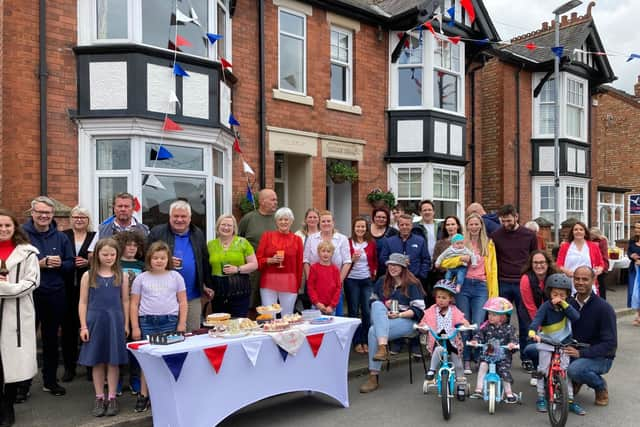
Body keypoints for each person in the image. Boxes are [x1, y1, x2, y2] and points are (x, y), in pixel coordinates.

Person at [22, 196, 74, 397]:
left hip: (55, 295)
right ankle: (22, 387)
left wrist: (61, 263)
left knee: (51, 340)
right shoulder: (21, 235)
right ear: (32, 213)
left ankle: (50, 381)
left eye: (48, 213)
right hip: (29, 294)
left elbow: (71, 264)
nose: (44, 216)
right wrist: (38, 264)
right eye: (40, 212)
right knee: (26, 341)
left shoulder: (61, 237)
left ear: (53, 215)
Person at [130, 241, 187, 412]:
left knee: (169, 359)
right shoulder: (141, 278)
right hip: (147, 322)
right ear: (149, 259)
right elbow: (134, 304)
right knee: (148, 360)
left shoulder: (175, 277)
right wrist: (135, 327)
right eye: (155, 258)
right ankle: (143, 394)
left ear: (168, 259)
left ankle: (167, 394)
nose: (159, 261)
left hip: (169, 321)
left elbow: (183, 301)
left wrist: (181, 323)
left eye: (162, 258)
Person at [77, 238, 129, 417]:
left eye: (112, 254)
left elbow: (125, 301)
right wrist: (83, 326)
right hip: (95, 322)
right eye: (105, 254)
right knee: (97, 361)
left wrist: (126, 323)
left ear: (117, 255)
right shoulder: (88, 275)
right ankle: (99, 396)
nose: (109, 257)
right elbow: (83, 302)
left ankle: (112, 397)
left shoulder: (122, 275)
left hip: (115, 321)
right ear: (97, 254)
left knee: (113, 361)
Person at [359, 253, 425, 393]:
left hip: (407, 320)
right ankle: (383, 347)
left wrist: (399, 314)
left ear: (402, 267)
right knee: (377, 305)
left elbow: (419, 310)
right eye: (390, 265)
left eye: (396, 265)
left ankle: (373, 376)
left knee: (372, 332)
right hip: (384, 318)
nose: (393, 268)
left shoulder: (413, 283)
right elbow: (372, 301)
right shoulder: (382, 281)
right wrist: (385, 306)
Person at [0, 209, 40, 427]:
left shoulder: (27, 253)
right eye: (0, 226)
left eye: (8, 225)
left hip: (15, 313)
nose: (4, 229)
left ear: (15, 228)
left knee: (13, 363)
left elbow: (32, 283)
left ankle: (8, 406)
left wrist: (4, 289)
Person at [147, 200, 212, 331]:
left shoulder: (197, 233)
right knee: (168, 333)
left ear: (190, 218)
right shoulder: (157, 232)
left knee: (192, 333)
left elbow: (204, 260)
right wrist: (166, 261)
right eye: (176, 216)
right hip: (165, 296)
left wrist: (206, 284)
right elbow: (146, 260)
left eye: (183, 216)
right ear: (169, 217)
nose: (179, 219)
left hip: (192, 296)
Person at [528, 273, 584, 415]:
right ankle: (541, 397)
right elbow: (537, 320)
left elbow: (576, 317)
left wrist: (565, 304)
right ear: (549, 293)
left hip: (564, 343)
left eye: (562, 295)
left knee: (564, 371)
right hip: (547, 341)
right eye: (555, 294)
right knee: (543, 370)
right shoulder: (546, 306)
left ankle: (569, 400)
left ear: (567, 295)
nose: (558, 297)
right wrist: (532, 331)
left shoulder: (567, 306)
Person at [566, 266, 616, 407]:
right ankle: (576, 380)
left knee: (574, 370)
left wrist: (581, 353)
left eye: (585, 279)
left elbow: (610, 343)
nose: (580, 282)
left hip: (601, 356)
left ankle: (600, 386)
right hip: (575, 352)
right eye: (577, 279)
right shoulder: (569, 303)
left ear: (593, 280)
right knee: (539, 353)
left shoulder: (604, 308)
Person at [491, 204, 537, 354]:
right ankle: (502, 353)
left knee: (525, 320)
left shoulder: (529, 235)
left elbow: (534, 257)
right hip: (503, 282)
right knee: (502, 320)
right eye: (503, 221)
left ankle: (526, 356)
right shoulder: (496, 235)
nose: (506, 224)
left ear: (516, 217)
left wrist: (532, 279)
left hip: (523, 282)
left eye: (509, 220)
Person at [456, 213, 498, 374]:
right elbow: (451, 262)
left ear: (481, 225)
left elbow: (493, 269)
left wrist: (493, 292)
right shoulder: (461, 243)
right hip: (464, 285)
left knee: (479, 323)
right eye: (470, 224)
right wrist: (461, 259)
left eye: (476, 224)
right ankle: (466, 359)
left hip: (481, 286)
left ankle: (480, 358)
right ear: (467, 227)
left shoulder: (489, 244)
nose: (473, 227)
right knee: (464, 323)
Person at [61, 207, 96, 383]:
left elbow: (102, 259)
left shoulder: (94, 236)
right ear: (70, 218)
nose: (79, 220)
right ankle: (69, 368)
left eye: (83, 217)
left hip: (89, 289)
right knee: (68, 330)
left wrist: (89, 262)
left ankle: (91, 367)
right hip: (66, 288)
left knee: (88, 328)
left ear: (88, 220)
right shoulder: (63, 235)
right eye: (75, 216)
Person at [468, 297, 519, 403]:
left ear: (503, 316)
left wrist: (512, 344)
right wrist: (475, 341)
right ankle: (479, 388)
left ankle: (508, 393)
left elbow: (514, 339)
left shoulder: (509, 328)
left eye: (494, 314)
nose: (490, 317)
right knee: (483, 365)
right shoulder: (486, 327)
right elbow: (479, 335)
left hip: (503, 356)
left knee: (503, 370)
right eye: (489, 314)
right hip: (489, 354)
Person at [114, 230, 145, 395]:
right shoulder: (116, 264)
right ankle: (117, 380)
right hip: (118, 310)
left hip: (138, 310)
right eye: (128, 245)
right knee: (119, 347)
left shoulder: (142, 265)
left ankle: (135, 379)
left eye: (135, 245)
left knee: (136, 345)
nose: (132, 248)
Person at [519, 250, 558, 381]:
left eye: (542, 262)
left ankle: (553, 369)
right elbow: (529, 305)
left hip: (551, 312)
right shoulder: (526, 279)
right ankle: (537, 370)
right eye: (535, 262)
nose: (539, 266)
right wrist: (539, 325)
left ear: (548, 263)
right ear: (531, 264)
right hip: (530, 312)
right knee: (533, 340)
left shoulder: (554, 276)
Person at [207, 214, 258, 317]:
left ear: (234, 228)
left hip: (239, 290)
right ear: (218, 227)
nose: (226, 227)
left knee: (238, 324)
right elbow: (206, 268)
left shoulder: (243, 242)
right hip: (218, 293)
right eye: (223, 224)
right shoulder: (210, 245)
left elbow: (254, 264)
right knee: (220, 324)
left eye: (230, 225)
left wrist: (237, 269)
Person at [420, 280, 470, 384]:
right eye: (438, 297)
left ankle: (460, 381)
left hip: (452, 341)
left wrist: (465, 323)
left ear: (450, 299)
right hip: (438, 341)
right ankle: (432, 370)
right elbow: (425, 320)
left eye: (444, 298)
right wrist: (422, 326)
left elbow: (460, 318)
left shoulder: (453, 310)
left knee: (458, 363)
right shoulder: (432, 310)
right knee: (438, 350)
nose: (441, 300)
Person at [257, 208, 303, 316]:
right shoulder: (267, 236)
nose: (283, 222)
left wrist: (297, 285)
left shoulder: (297, 240)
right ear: (276, 221)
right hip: (269, 281)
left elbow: (299, 265)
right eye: (280, 219)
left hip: (289, 281)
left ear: (292, 221)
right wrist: (269, 260)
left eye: (286, 219)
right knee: (268, 315)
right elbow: (257, 260)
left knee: (287, 316)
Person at [303, 210, 351, 315]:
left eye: (328, 221)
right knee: (316, 315)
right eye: (323, 221)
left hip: (334, 283)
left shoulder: (342, 239)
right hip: (316, 283)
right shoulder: (312, 238)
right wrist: (309, 279)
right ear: (319, 223)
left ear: (333, 222)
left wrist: (339, 281)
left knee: (336, 315)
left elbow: (347, 261)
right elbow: (306, 260)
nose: (326, 223)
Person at [238, 189, 277, 310]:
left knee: (272, 306)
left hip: (274, 270)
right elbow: (239, 241)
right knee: (251, 304)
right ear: (262, 201)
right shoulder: (248, 219)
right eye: (273, 199)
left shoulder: (279, 219)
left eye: (276, 199)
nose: (276, 202)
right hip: (254, 271)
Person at [346, 216, 377, 354]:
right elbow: (344, 261)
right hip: (352, 280)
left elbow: (375, 260)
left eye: (363, 227)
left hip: (367, 280)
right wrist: (352, 260)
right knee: (353, 311)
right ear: (354, 228)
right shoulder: (347, 243)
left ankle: (366, 339)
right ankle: (357, 341)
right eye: (358, 226)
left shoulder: (371, 243)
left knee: (367, 311)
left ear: (366, 228)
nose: (360, 229)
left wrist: (374, 271)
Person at [379, 214, 430, 285]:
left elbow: (426, 260)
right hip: (394, 280)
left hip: (415, 279)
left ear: (412, 225)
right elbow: (383, 259)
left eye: (407, 224)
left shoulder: (420, 241)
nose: (404, 227)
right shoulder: (389, 241)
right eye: (402, 224)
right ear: (398, 225)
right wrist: (394, 265)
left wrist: (421, 275)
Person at [556, 221, 605, 295]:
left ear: (585, 232)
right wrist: (566, 271)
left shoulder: (593, 246)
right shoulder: (565, 246)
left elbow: (601, 264)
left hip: (587, 282)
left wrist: (599, 270)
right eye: (575, 229)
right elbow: (559, 264)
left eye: (581, 229)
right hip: (569, 282)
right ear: (572, 232)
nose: (578, 231)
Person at [294, 208, 320, 310]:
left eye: (315, 217)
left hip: (317, 270)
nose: (312, 219)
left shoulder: (322, 234)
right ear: (305, 219)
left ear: (318, 219)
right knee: (302, 296)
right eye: (310, 217)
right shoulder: (298, 234)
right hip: (301, 271)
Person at [307, 241, 341, 315]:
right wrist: (317, 302)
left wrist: (332, 305)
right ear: (319, 253)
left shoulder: (335, 270)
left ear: (332, 254)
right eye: (323, 251)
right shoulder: (314, 268)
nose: (325, 254)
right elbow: (310, 287)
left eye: (328, 251)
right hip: (316, 306)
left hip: (331, 308)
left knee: (331, 326)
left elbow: (338, 289)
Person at [369, 206, 398, 279]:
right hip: (367, 270)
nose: (381, 219)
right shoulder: (366, 229)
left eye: (384, 217)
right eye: (378, 217)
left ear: (387, 219)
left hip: (386, 271)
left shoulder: (393, 232)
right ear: (374, 217)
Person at [589, 227, 609, 300]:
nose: (590, 236)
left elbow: (604, 255)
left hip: (601, 266)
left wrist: (603, 267)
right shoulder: (589, 241)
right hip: (592, 266)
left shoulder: (602, 241)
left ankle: (603, 301)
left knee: (601, 286)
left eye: (592, 235)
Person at [626, 221, 640, 321]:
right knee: (634, 293)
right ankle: (638, 314)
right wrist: (631, 256)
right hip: (634, 269)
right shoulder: (632, 240)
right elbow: (629, 251)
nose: (636, 230)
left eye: (639, 228)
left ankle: (638, 316)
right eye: (635, 227)